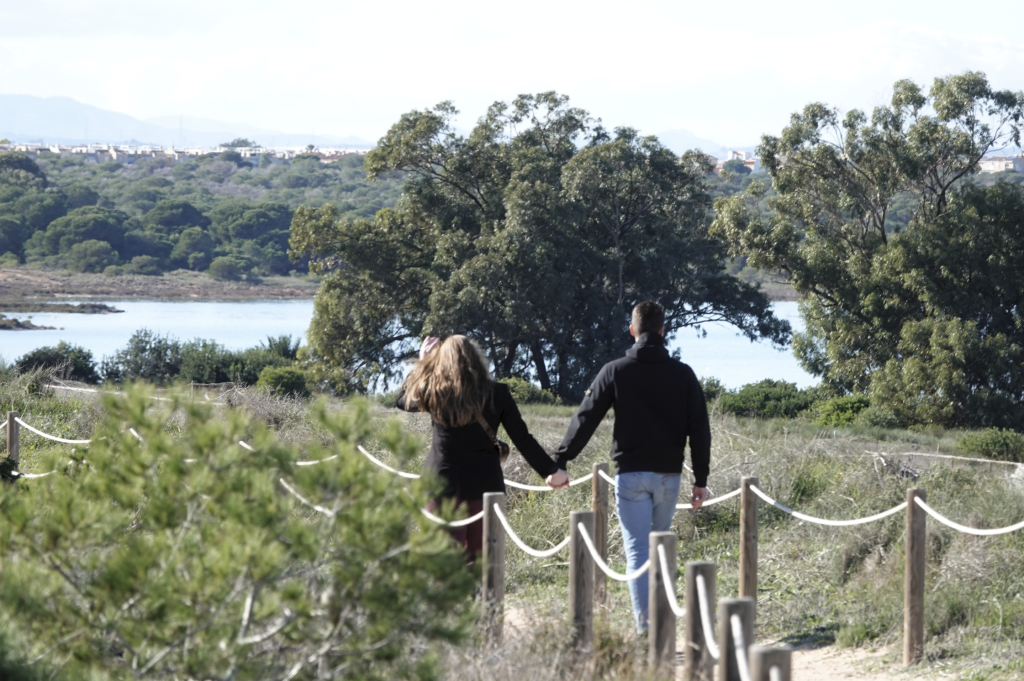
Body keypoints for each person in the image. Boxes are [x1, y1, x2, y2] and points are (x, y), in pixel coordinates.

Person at [550, 301, 711, 633]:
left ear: (632, 330)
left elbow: (586, 418)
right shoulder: (683, 374)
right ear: (663, 331)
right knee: (660, 549)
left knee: (638, 553)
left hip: (631, 476)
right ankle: (660, 628)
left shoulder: (615, 370)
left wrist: (561, 460)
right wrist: (701, 479)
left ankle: (646, 630)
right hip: (668, 476)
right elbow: (699, 429)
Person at [396, 335, 565, 563]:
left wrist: (424, 362)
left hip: (440, 482)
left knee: (441, 563)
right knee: (483, 563)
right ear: (476, 359)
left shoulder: (433, 390)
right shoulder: (498, 393)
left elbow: (402, 400)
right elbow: (522, 439)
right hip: (485, 484)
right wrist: (551, 471)